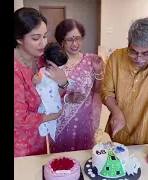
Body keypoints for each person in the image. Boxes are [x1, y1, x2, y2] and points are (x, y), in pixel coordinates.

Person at [101, 18, 148, 163]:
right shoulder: (116, 58)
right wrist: (116, 111)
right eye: (133, 52)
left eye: (146, 53)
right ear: (128, 44)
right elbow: (107, 91)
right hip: (121, 132)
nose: (138, 58)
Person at [14, 7, 68, 157]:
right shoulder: (16, 70)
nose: (43, 43)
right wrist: (53, 116)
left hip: (40, 135)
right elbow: (19, 119)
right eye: (36, 38)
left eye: (44, 36)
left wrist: (62, 82)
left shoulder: (39, 59)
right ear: (18, 38)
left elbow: (51, 92)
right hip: (20, 144)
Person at [49, 19, 104, 153]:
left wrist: (98, 72)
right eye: (69, 40)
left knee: (85, 156)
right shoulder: (54, 62)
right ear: (61, 40)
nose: (75, 44)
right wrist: (67, 99)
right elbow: (47, 95)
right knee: (63, 159)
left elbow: (97, 91)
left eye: (78, 38)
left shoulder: (91, 59)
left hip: (85, 118)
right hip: (62, 118)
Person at [35, 42, 69, 141]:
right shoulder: (43, 70)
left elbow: (61, 90)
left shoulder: (58, 70)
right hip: (45, 103)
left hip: (52, 101)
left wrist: (63, 82)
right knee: (47, 122)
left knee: (51, 123)